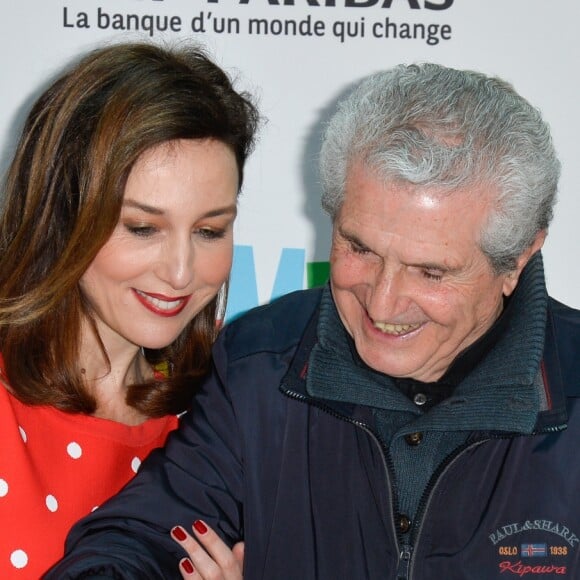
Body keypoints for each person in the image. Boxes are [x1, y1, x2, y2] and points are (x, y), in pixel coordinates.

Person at [47, 63, 580, 579]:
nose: (383, 303)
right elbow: (141, 540)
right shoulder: (261, 362)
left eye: (431, 272)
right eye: (358, 247)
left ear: (515, 260)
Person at [0, 41, 257, 578]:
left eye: (210, 231)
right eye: (143, 228)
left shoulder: (221, 425)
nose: (182, 272)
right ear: (62, 215)